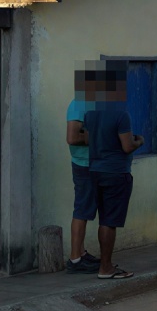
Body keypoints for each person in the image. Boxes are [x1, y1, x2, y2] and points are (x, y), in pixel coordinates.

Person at [83, 60, 144, 279]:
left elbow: (90, 139)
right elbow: (127, 146)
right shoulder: (121, 114)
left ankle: (105, 264)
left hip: (95, 171)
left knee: (103, 219)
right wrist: (140, 142)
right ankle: (106, 268)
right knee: (110, 221)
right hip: (116, 172)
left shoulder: (91, 113)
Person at [64, 66, 101, 273]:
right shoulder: (79, 104)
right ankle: (75, 259)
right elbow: (72, 138)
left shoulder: (90, 103)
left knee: (86, 210)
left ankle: (81, 252)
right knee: (82, 210)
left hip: (93, 164)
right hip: (84, 165)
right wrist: (99, 138)